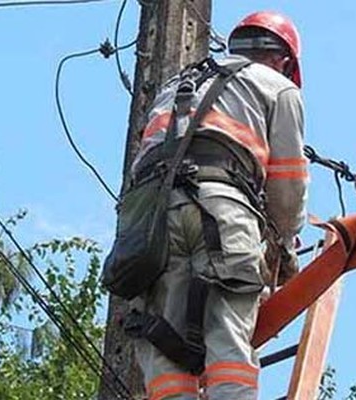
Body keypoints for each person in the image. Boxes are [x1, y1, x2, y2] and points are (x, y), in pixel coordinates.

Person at [129, 11, 307, 400]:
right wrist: (284, 247)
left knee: (163, 348)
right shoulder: (277, 86)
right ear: (284, 60)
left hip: (150, 222)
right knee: (228, 339)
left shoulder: (175, 86)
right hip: (224, 212)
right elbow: (287, 190)